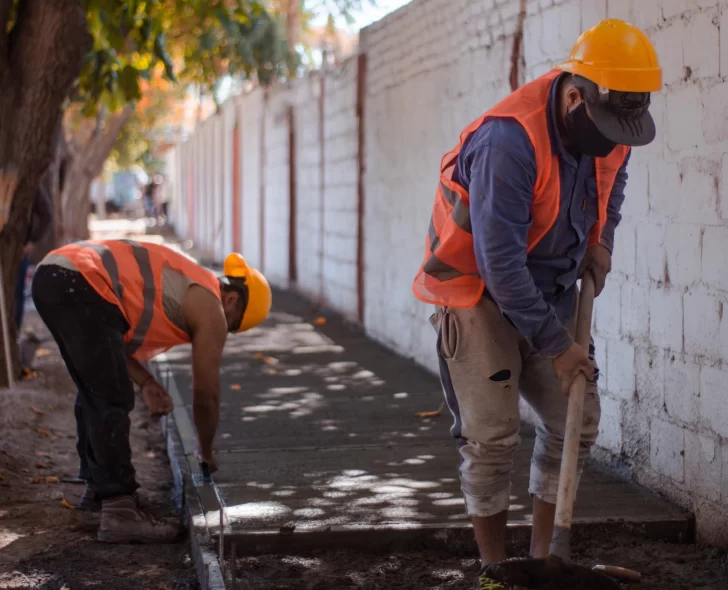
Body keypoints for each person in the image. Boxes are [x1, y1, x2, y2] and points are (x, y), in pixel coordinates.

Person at [411, 20, 662, 589]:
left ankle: (544, 563)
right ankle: (497, 573)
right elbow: (501, 266)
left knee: (575, 422)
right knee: (493, 436)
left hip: (550, 286)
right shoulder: (510, 141)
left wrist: (602, 241)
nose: (613, 139)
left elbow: (612, 182)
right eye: (604, 127)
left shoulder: (609, 122)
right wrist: (558, 345)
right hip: (475, 291)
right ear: (576, 96)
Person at [32, 240, 272, 543]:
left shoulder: (188, 280)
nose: (225, 331)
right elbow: (206, 395)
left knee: (96, 384)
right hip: (82, 279)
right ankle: (119, 511)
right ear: (233, 301)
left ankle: (98, 488)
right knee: (111, 394)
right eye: (233, 327)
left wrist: (147, 383)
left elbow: (113, 348)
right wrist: (206, 451)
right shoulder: (211, 305)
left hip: (54, 274)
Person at [15, 183, 53, 333]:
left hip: (17, 248)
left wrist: (32, 240)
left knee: (15, 294)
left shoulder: (28, 180)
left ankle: (14, 335)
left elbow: (46, 214)